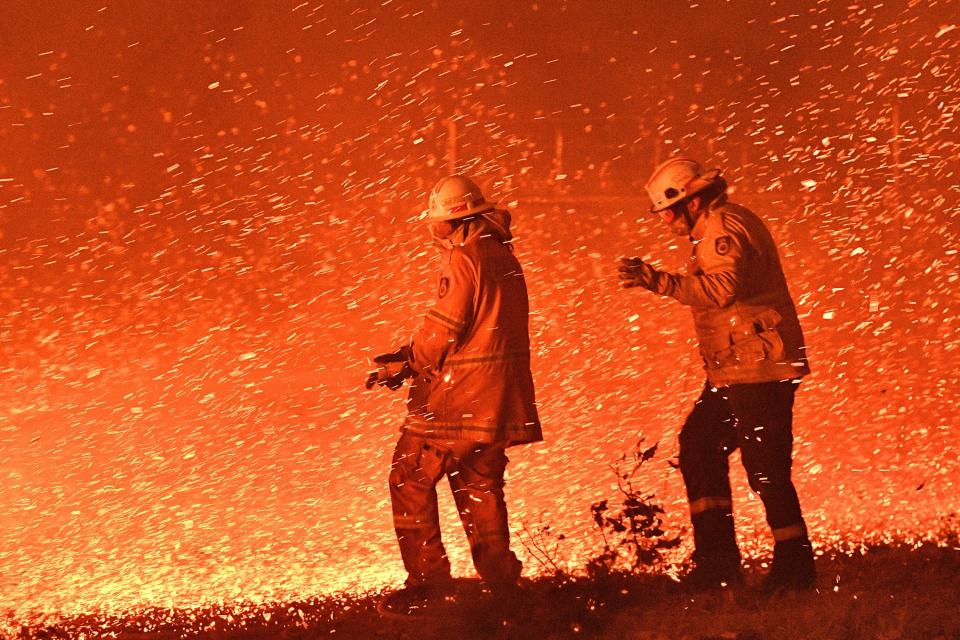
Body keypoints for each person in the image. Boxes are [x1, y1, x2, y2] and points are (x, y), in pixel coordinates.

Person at [618, 157, 816, 593]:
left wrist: (657, 280)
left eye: (670, 209)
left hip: (760, 369)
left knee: (766, 469)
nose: (666, 219)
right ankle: (717, 562)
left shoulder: (724, 230)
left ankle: (795, 568)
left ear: (694, 200)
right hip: (739, 370)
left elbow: (722, 292)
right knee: (699, 445)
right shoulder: (720, 226)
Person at [366, 174, 542, 613]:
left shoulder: (465, 259)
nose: (431, 228)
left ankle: (428, 585)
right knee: (479, 484)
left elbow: (445, 329)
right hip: (497, 401)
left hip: (456, 400)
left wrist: (407, 361)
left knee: (409, 477)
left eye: (436, 220)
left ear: (453, 219)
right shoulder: (504, 256)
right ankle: (503, 587)